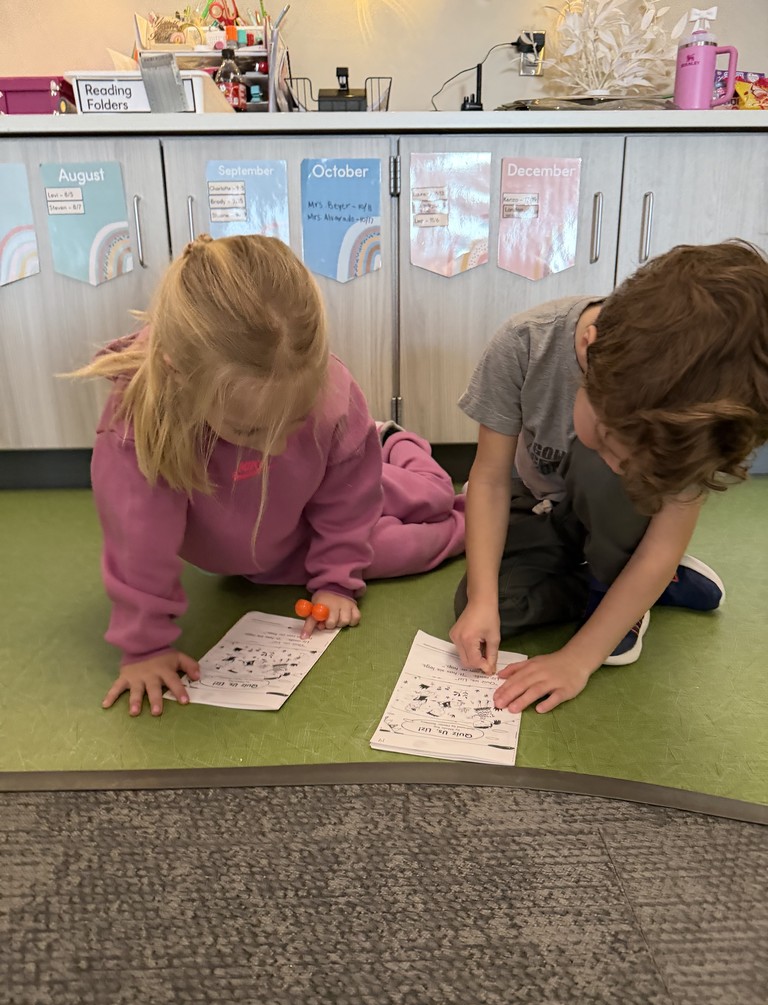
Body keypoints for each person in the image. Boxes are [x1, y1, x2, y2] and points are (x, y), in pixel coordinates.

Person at [76, 234, 464, 716]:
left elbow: (348, 500)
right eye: (250, 430)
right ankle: (391, 459)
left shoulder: (331, 392)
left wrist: (336, 580)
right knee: (394, 544)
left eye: (295, 420)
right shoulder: (138, 425)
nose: (276, 445)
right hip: (273, 544)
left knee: (434, 500)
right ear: (180, 376)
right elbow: (138, 544)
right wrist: (145, 648)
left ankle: (395, 445)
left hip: (325, 491)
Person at [451, 240, 768, 714]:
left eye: (640, 464)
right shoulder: (525, 343)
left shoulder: (693, 418)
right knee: (490, 607)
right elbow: (491, 480)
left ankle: (626, 587)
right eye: (611, 442)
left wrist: (578, 658)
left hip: (624, 521)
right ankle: (645, 585)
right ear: (589, 346)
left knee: (603, 477)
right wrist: (482, 601)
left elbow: (663, 539)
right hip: (539, 506)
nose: (624, 467)